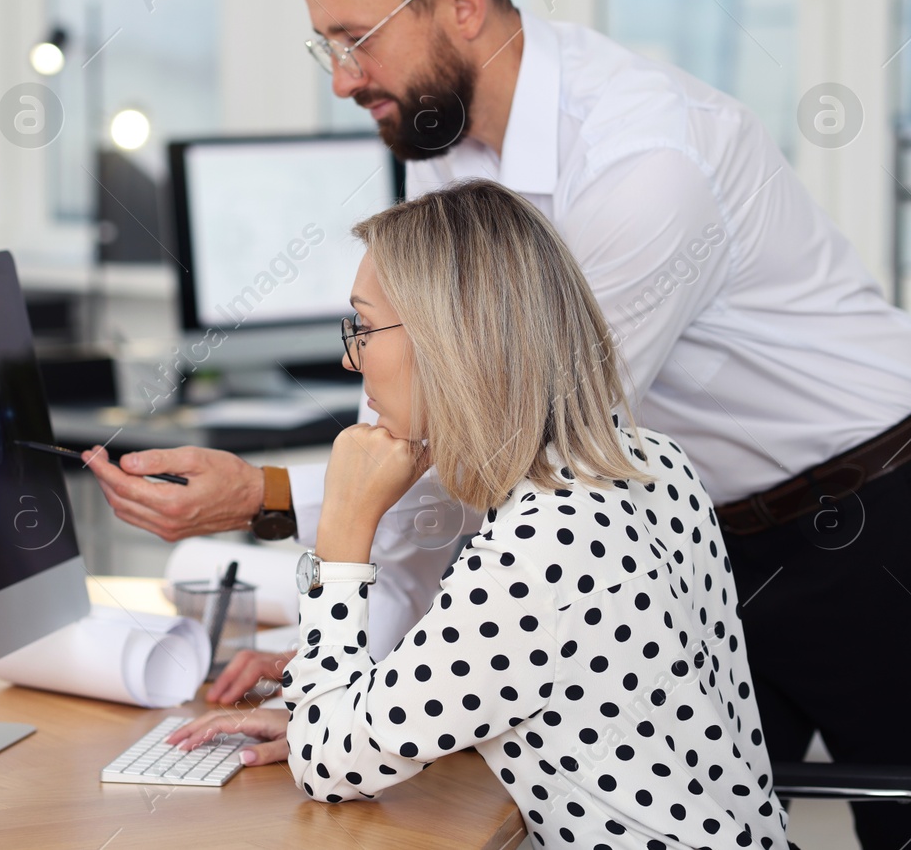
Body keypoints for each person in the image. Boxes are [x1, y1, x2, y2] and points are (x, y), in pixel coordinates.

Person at [85, 0, 911, 850]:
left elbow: (486, 439)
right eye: (326, 49)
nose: (345, 79)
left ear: (462, 4)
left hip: (876, 505)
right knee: (679, 805)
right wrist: (342, 673)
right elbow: (415, 434)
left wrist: (291, 537)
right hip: (703, 522)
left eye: (356, 41)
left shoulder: (642, 166)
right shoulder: (445, 143)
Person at [150, 180, 788, 848]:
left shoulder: (544, 543)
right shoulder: (645, 459)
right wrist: (341, 716)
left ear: (444, 341)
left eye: (363, 327)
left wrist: (344, 534)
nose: (349, 356)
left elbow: (327, 767)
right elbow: (498, 679)